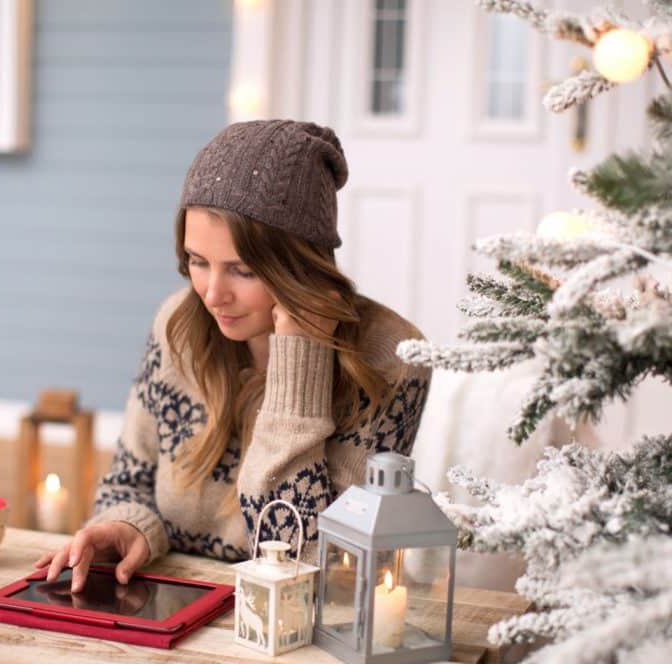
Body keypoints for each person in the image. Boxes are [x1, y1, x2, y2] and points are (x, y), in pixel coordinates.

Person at [35, 120, 432, 593]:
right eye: (197, 262)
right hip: (167, 604)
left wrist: (297, 366)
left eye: (242, 270)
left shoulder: (392, 358)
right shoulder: (177, 328)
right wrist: (128, 527)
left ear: (300, 265)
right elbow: (128, 484)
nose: (212, 294)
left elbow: (314, 571)